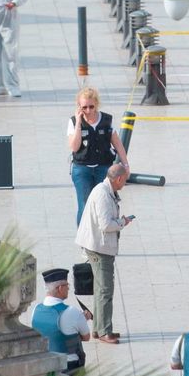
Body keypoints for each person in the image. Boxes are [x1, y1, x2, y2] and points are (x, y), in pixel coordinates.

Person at [75, 162, 133, 345]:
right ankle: (104, 331)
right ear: (118, 179)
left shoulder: (106, 191)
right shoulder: (102, 194)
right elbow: (106, 225)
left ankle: (99, 329)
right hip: (99, 248)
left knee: (101, 289)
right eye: (124, 180)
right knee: (105, 290)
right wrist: (122, 222)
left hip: (99, 245)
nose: (124, 184)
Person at [69, 86, 129, 226]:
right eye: (84, 107)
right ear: (79, 107)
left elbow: (118, 144)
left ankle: (103, 234)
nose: (88, 111)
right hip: (82, 169)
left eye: (91, 106)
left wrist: (125, 165)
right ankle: (84, 238)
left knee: (105, 202)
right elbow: (74, 147)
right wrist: (78, 122)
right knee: (84, 204)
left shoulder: (106, 120)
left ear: (96, 104)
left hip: (103, 167)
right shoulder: (73, 122)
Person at [29, 268, 91, 374]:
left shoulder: (35, 310)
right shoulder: (72, 312)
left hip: (44, 366)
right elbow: (86, 337)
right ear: (60, 288)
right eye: (67, 286)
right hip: (69, 367)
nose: (68, 289)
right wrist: (83, 319)